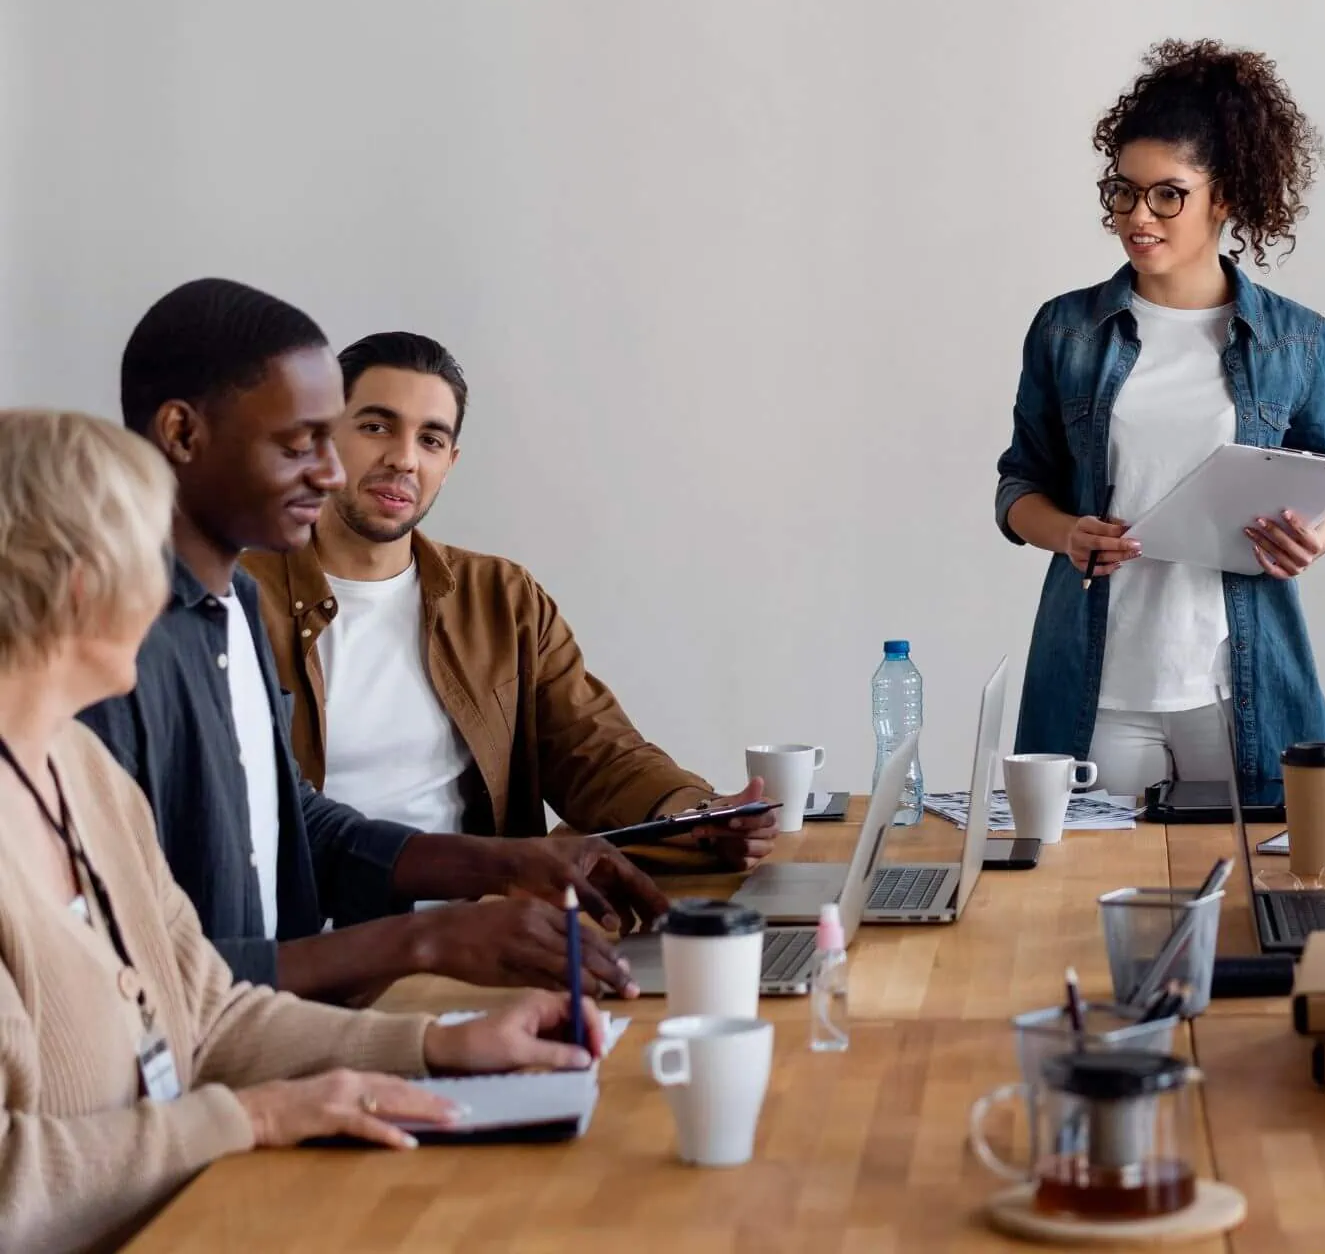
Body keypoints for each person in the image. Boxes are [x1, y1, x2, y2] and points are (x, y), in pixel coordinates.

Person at [0, 408, 603, 1254]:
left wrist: (439, 1044)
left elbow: (205, 1012)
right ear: (80, 587)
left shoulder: (79, 771)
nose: (175, 587)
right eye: (152, 557)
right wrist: (249, 1118)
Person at [78, 279, 665, 1004]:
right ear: (183, 434)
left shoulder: (233, 607)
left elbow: (298, 825)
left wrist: (504, 864)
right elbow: (119, 977)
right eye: (303, 444)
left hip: (287, 1033)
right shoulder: (106, 648)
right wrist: (423, 942)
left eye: (331, 440)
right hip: (212, 1077)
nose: (331, 473)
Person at [241, 331, 774, 864]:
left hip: (486, 923)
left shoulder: (501, 598)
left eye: (430, 440)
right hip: (312, 938)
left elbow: (597, 753)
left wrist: (701, 815)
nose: (404, 459)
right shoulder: (233, 602)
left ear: (448, 463)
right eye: (377, 427)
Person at [995, 39, 1325, 800]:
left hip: (1240, 681)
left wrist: (1312, 536)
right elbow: (1019, 484)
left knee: (1251, 904)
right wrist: (1067, 533)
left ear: (1224, 198)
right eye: (1123, 192)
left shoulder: (1296, 339)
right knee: (1082, 904)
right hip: (1103, 686)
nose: (1137, 216)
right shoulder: (1067, 332)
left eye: (1167, 194)